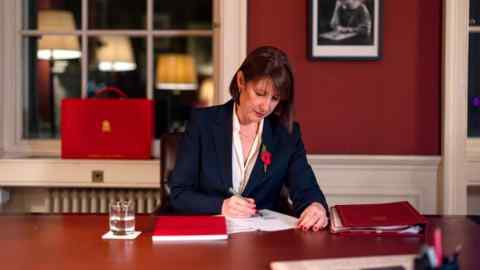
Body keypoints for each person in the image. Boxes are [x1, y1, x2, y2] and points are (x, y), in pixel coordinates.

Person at [168, 46, 329, 231]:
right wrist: (221, 205)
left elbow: (307, 189)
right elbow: (179, 194)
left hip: (264, 243)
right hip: (210, 240)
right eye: (260, 94)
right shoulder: (203, 123)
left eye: (275, 98)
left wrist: (315, 207)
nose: (266, 106)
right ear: (241, 80)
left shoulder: (287, 135)